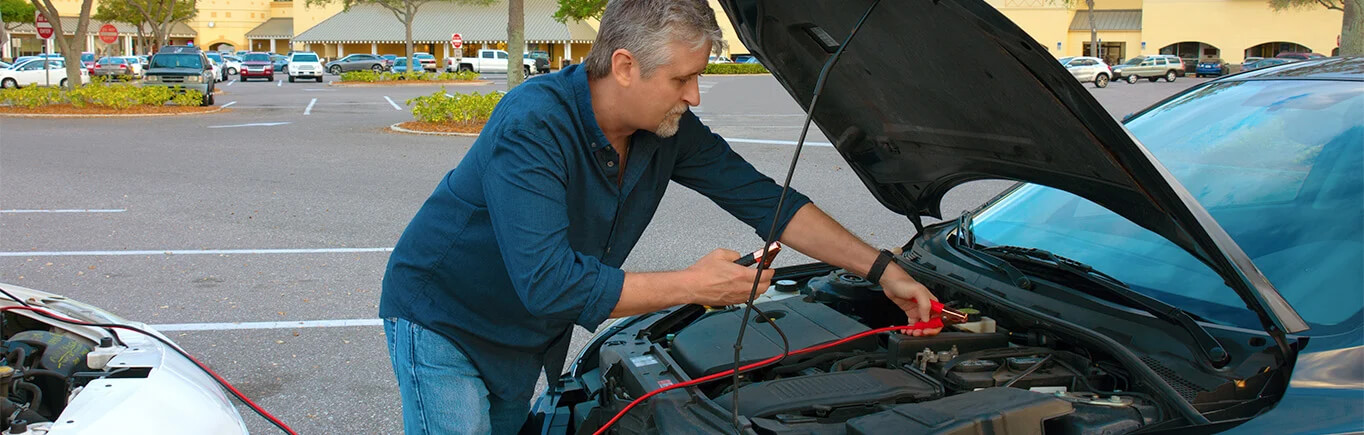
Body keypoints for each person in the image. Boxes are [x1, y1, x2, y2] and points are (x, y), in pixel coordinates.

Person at [378, 0, 941, 433]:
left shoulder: (665, 132)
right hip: (445, 322)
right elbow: (548, 284)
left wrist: (885, 271)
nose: (695, 96)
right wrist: (696, 286)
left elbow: (768, 202)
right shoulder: (534, 124)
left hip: (522, 336)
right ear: (625, 65)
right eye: (681, 78)